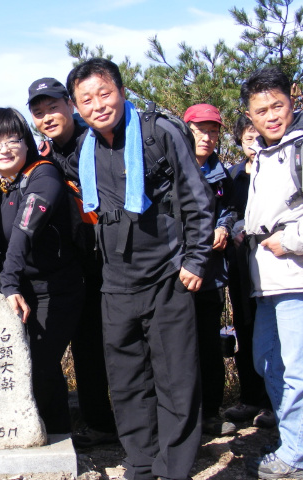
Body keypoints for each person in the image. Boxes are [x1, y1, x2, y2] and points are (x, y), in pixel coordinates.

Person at [67, 58, 214, 480]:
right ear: (78, 106)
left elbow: (197, 197)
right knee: (128, 382)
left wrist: (196, 259)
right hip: (116, 282)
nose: (98, 105)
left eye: (104, 93)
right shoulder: (85, 148)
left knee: (176, 382)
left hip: (168, 274)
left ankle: (174, 469)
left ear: (121, 91)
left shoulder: (158, 132)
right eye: (86, 99)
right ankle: (142, 465)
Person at [0, 107, 83, 434]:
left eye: (12, 140)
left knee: (40, 362)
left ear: (27, 143)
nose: (3, 149)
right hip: (24, 289)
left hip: (57, 289)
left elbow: (26, 226)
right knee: (26, 364)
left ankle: (57, 434)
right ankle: (34, 429)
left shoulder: (44, 175)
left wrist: (7, 282)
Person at [27, 77, 117, 446]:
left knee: (113, 342)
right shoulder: (45, 155)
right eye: (38, 111)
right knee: (85, 342)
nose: (47, 116)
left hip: (113, 257)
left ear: (70, 104)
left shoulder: (97, 141)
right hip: (77, 263)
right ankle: (99, 421)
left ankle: (124, 421)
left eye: (53, 107)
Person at [240, 66, 303, 479]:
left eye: (277, 105)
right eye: (261, 110)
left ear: (293, 100)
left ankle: (295, 457)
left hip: (295, 273)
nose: (271, 115)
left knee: (296, 368)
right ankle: (292, 438)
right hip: (266, 279)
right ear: (250, 116)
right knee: (267, 362)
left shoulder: (299, 147)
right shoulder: (263, 153)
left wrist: (293, 240)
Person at [183, 104, 237, 436]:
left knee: (208, 345)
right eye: (200, 130)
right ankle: (184, 414)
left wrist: (224, 226)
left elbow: (229, 208)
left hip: (211, 275)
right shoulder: (172, 169)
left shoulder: (222, 174)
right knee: (179, 347)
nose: (208, 136)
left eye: (214, 130)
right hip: (179, 273)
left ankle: (211, 413)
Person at [223, 116, 275, 429]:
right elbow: (225, 215)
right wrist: (232, 231)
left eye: (258, 138)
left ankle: (274, 402)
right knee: (244, 328)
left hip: (275, 268)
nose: (253, 146)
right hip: (241, 268)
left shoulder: (280, 171)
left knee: (276, 335)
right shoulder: (233, 177)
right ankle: (250, 398)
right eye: (247, 139)